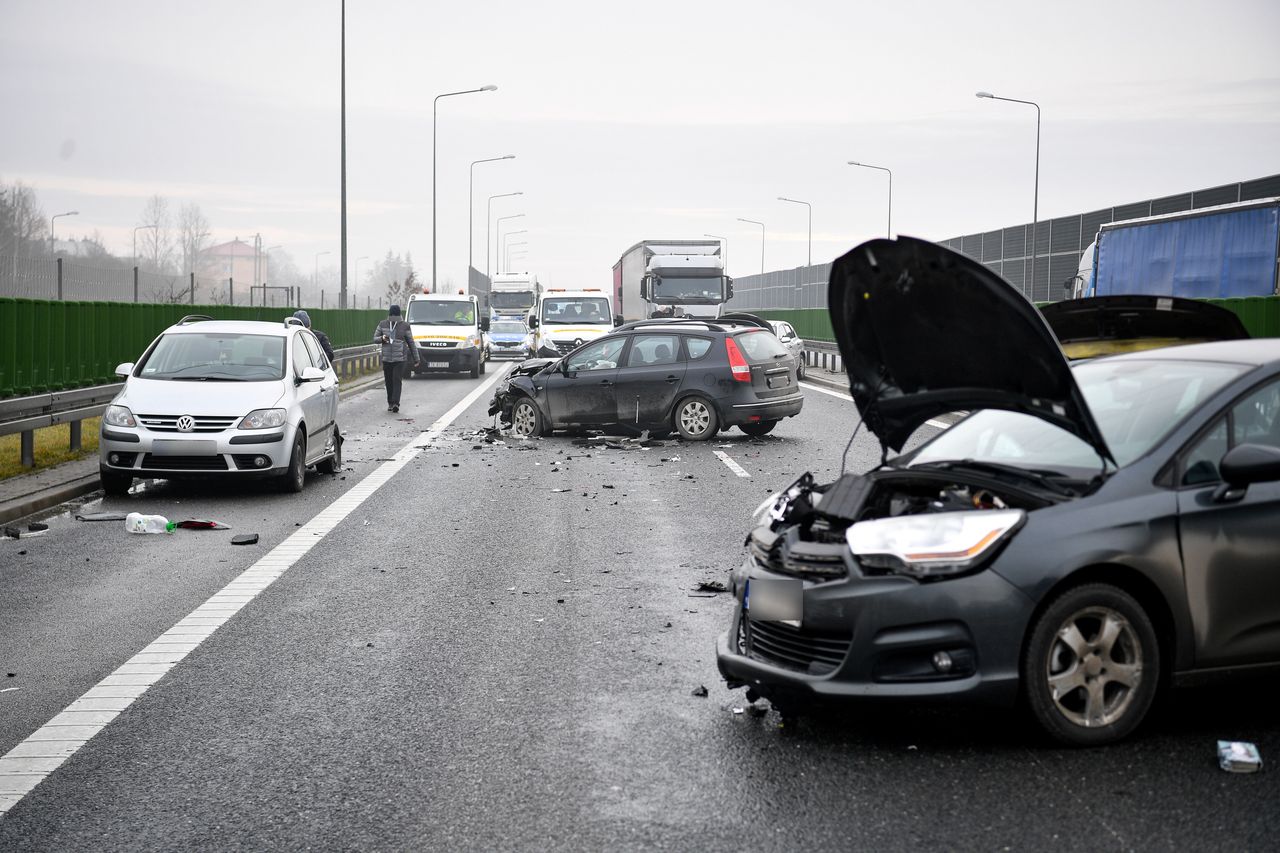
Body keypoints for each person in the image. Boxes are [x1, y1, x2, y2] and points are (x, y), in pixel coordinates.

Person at [373, 304, 418, 413]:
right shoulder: (382, 324)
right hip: (387, 358)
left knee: (397, 379)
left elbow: (411, 343)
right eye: (392, 315)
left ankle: (396, 403)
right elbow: (375, 338)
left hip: (400, 359)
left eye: (395, 315)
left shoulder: (404, 326)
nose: (393, 316)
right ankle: (390, 403)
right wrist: (383, 338)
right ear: (390, 314)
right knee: (388, 381)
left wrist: (416, 358)